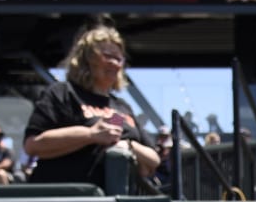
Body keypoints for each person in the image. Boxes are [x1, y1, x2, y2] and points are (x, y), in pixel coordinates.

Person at [24, 24, 159, 188]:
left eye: (119, 58)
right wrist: (91, 134)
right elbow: (33, 145)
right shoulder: (63, 93)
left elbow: (154, 159)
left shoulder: (121, 106)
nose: (115, 64)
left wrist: (128, 145)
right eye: (108, 56)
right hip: (68, 198)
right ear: (87, 59)